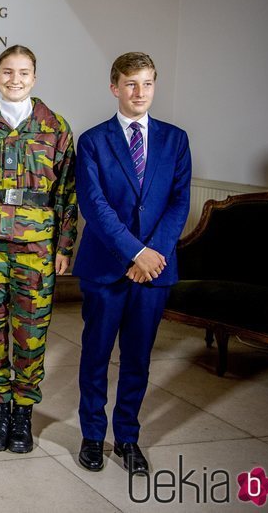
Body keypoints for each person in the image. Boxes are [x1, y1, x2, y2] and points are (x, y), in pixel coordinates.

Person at [0, 45, 78, 454]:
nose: (15, 80)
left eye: (23, 73)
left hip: (36, 248)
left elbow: (66, 195)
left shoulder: (56, 128)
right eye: (8, 72)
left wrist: (64, 246)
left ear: (35, 78)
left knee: (31, 332)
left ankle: (23, 412)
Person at [74, 52, 191, 474]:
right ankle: (91, 435)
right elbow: (94, 204)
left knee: (138, 359)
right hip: (107, 267)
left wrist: (152, 254)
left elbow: (179, 202)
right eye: (130, 84)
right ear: (114, 88)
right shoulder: (92, 141)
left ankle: (127, 438)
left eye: (147, 84)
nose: (139, 92)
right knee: (96, 355)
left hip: (154, 271)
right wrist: (134, 252)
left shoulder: (175, 140)